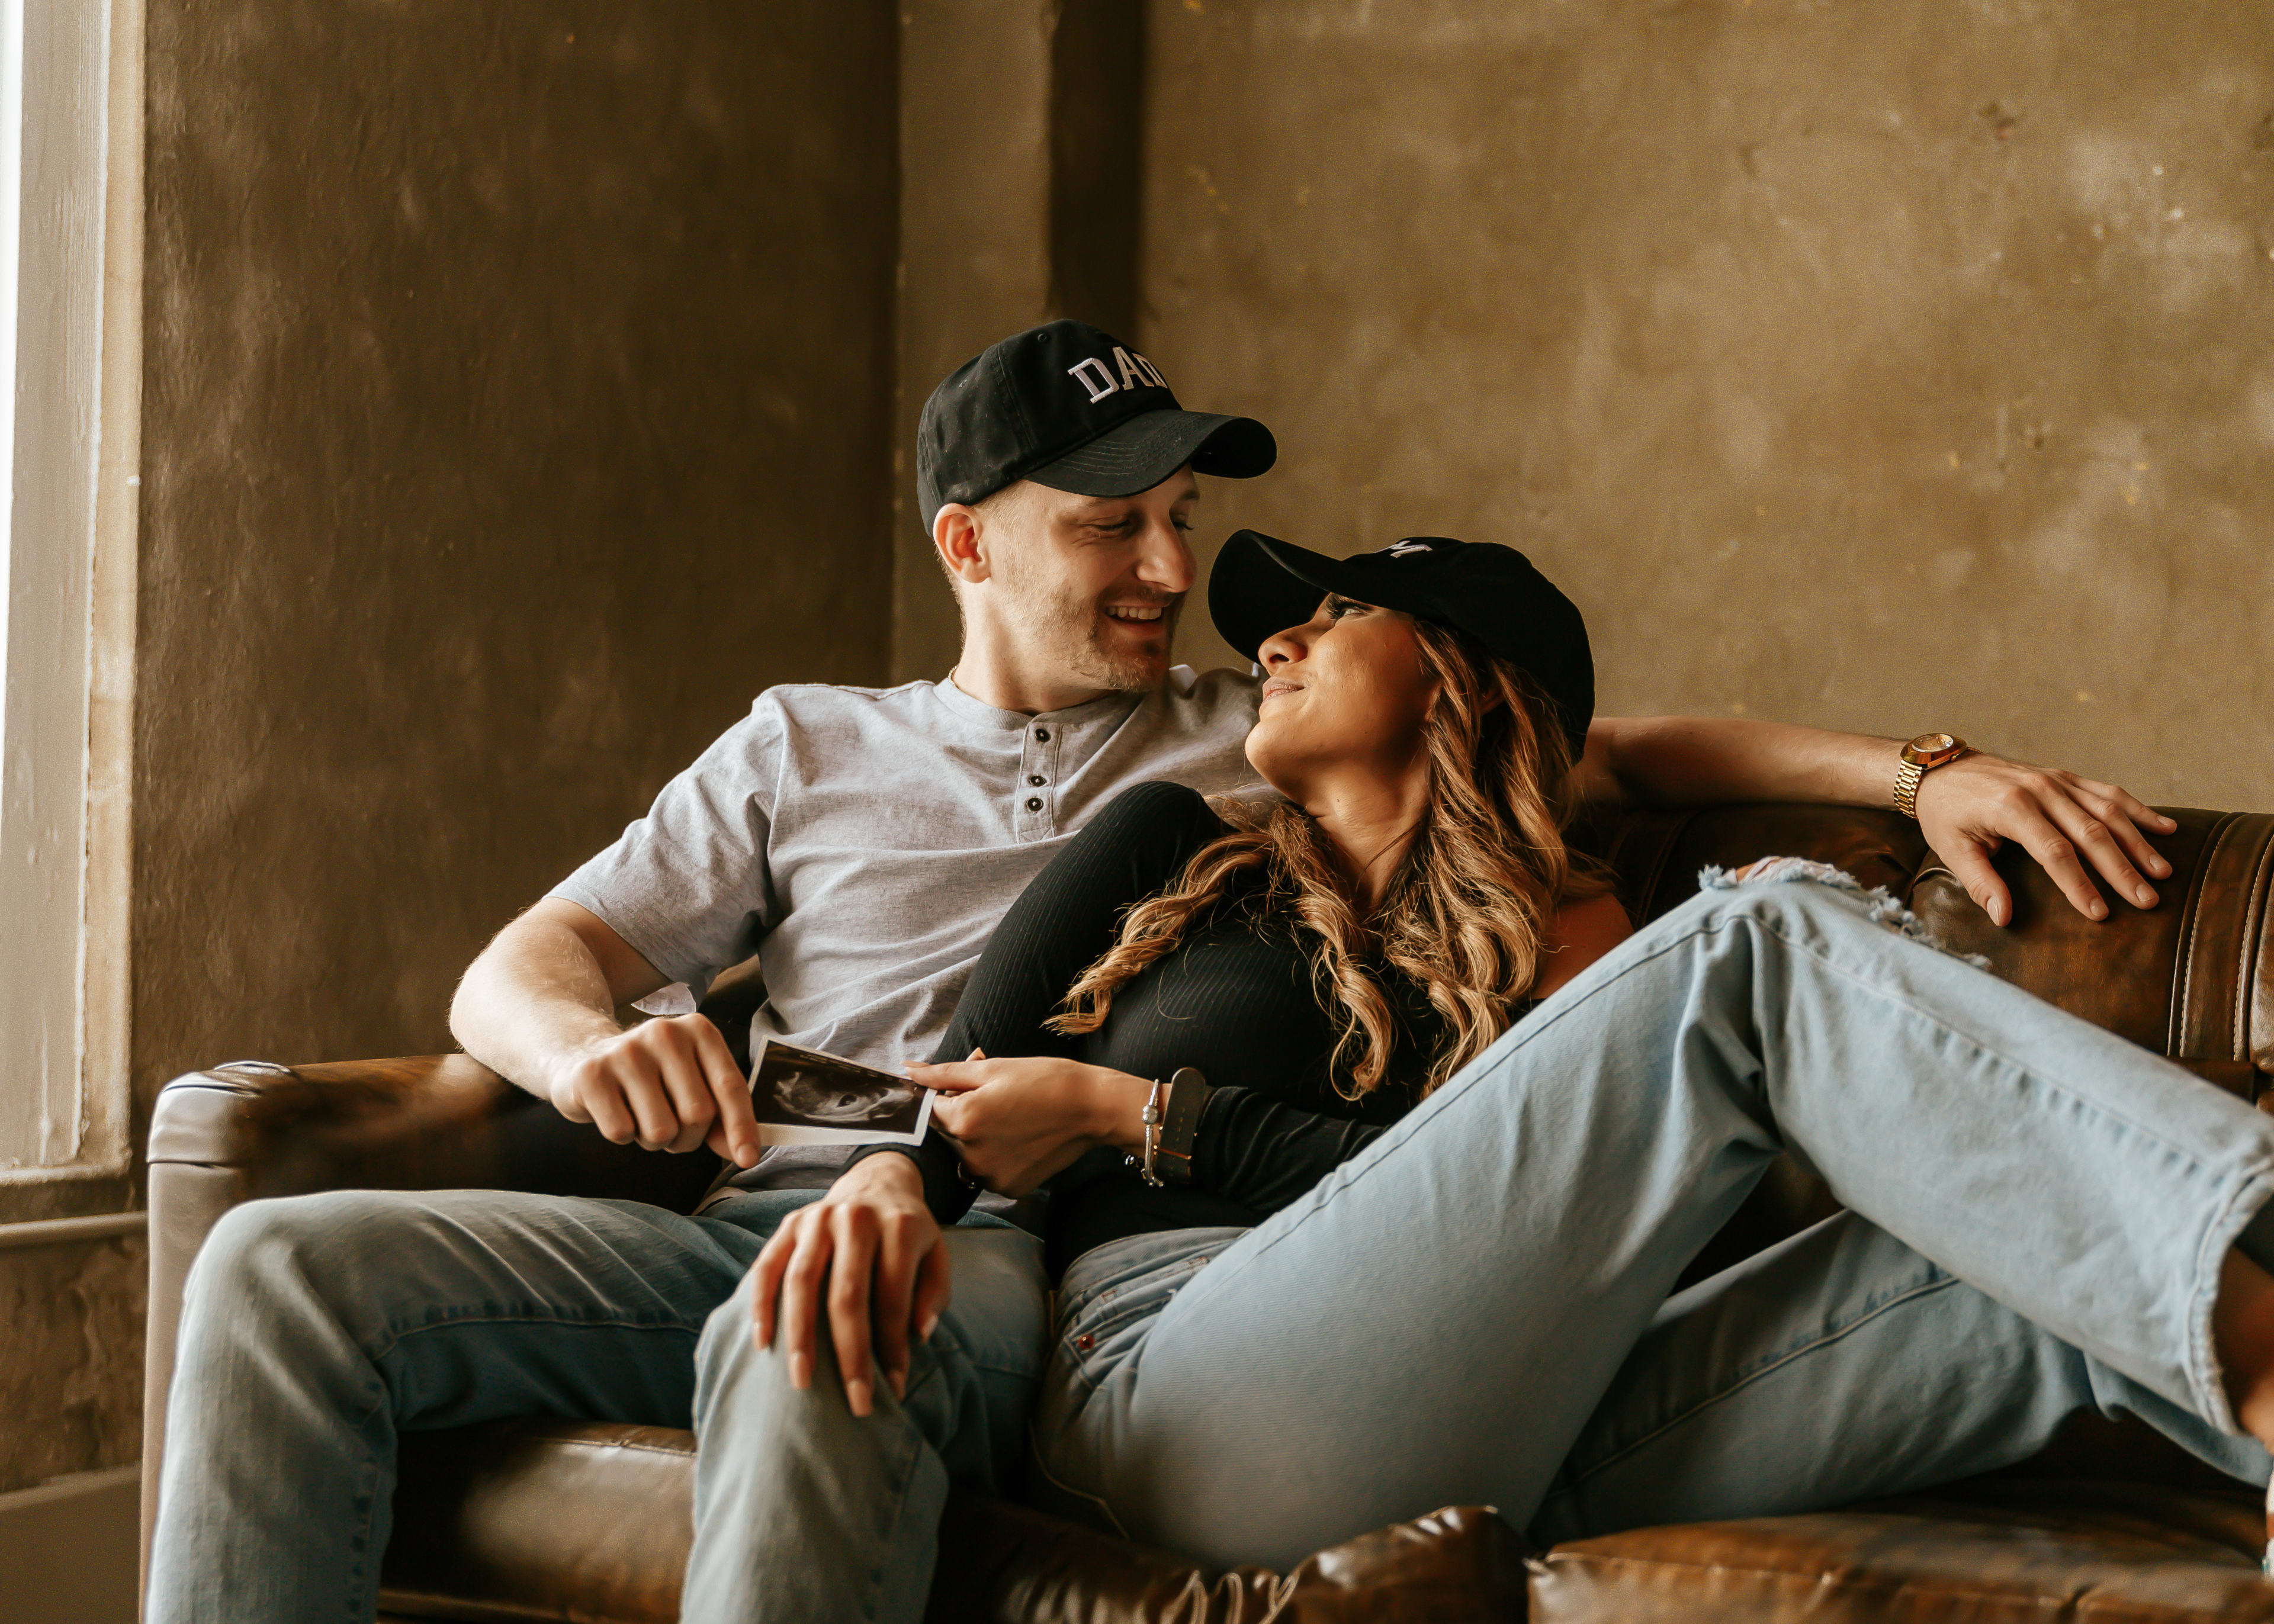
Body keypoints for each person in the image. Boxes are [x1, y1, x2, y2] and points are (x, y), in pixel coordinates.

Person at [144, 321, 2192, 1623]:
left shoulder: (1243, 739)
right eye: (1114, 521)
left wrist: (1920, 770)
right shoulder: (821, 749)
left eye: (1181, 516)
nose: (1171, 568)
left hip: (1010, 1234)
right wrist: (591, 1051)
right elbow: (524, 962)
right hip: (790, 1180)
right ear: (969, 544)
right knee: (278, 1268)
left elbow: (1601, 743)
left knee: (824, 1323)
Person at [736, 532, 2274, 1622]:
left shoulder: (1587, 941)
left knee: (2039, 1255)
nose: (1269, 639)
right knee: (1761, 941)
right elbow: (961, 1114)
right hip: (1185, 1387)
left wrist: (1148, 1119)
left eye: (1331, 617)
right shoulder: (1166, 849)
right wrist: (1134, 1121)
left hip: (1531, 1416)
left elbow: (1605, 1251)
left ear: (1460, 681)